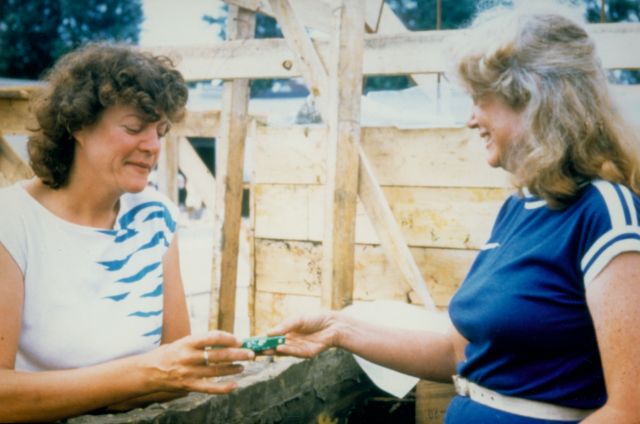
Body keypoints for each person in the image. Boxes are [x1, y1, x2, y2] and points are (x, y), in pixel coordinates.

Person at [268, 5, 640, 424]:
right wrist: (339, 331)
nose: (470, 119)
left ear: (533, 97)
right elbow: (458, 353)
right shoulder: (518, 210)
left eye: (481, 99)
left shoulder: (604, 212)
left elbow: (630, 410)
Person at [0, 43, 255, 422]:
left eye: (160, 130)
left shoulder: (156, 217)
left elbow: (176, 368)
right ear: (78, 125)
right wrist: (141, 376)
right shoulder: (12, 221)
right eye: (134, 127)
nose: (152, 146)